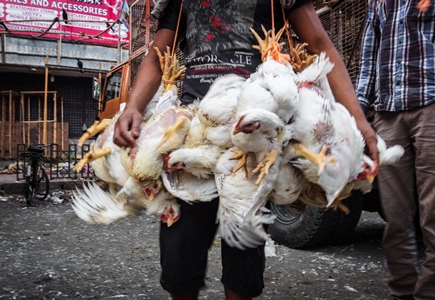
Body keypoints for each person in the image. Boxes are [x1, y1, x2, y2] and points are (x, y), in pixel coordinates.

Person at [114, 0, 378, 299]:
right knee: (179, 258)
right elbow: (157, 55)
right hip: (193, 132)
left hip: (256, 140)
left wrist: (358, 120)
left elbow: (320, 44)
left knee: (244, 260)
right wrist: (133, 106)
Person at [356, 1, 435, 299]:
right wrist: (359, 113)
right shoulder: (378, 2)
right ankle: (401, 290)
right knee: (395, 215)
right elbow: (368, 59)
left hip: (430, 105)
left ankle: (428, 293)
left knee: (433, 214)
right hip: (388, 114)